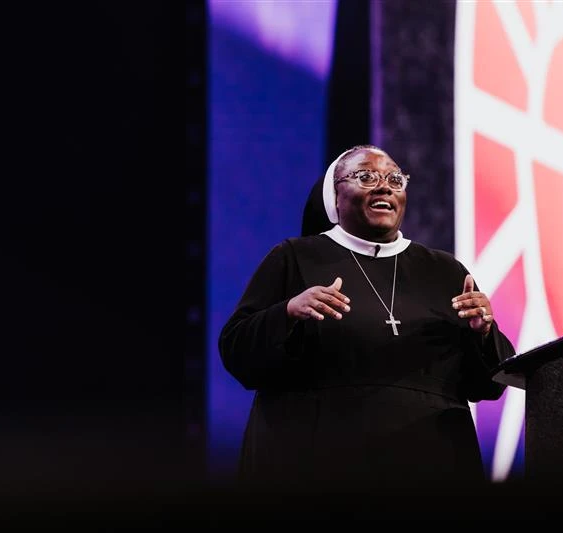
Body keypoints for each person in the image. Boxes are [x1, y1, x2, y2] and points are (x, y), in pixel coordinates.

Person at [218, 144, 516, 494]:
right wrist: (287, 313)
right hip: (319, 466)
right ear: (335, 196)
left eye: (394, 179)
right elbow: (236, 351)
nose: (384, 186)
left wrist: (483, 333)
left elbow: (490, 385)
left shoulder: (446, 271)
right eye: (366, 177)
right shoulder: (295, 257)